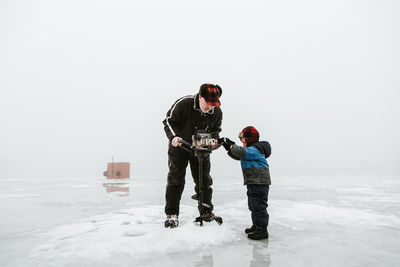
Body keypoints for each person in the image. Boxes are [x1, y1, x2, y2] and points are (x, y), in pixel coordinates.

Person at [162, 83, 223, 228]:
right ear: (200, 97)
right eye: (208, 103)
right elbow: (168, 121)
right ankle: (172, 214)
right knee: (175, 180)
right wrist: (173, 137)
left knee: (204, 181)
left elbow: (216, 130)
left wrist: (213, 140)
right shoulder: (184, 103)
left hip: (201, 150)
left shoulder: (217, 112)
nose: (210, 107)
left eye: (213, 104)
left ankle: (206, 211)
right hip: (180, 147)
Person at [218, 126, 271, 240]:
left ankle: (262, 230)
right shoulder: (249, 151)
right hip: (253, 182)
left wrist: (231, 145)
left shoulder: (256, 149)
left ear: (249, 139)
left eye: (243, 140)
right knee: (253, 205)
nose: (241, 142)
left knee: (259, 206)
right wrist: (228, 147)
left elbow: (241, 152)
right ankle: (256, 225)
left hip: (260, 182)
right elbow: (238, 155)